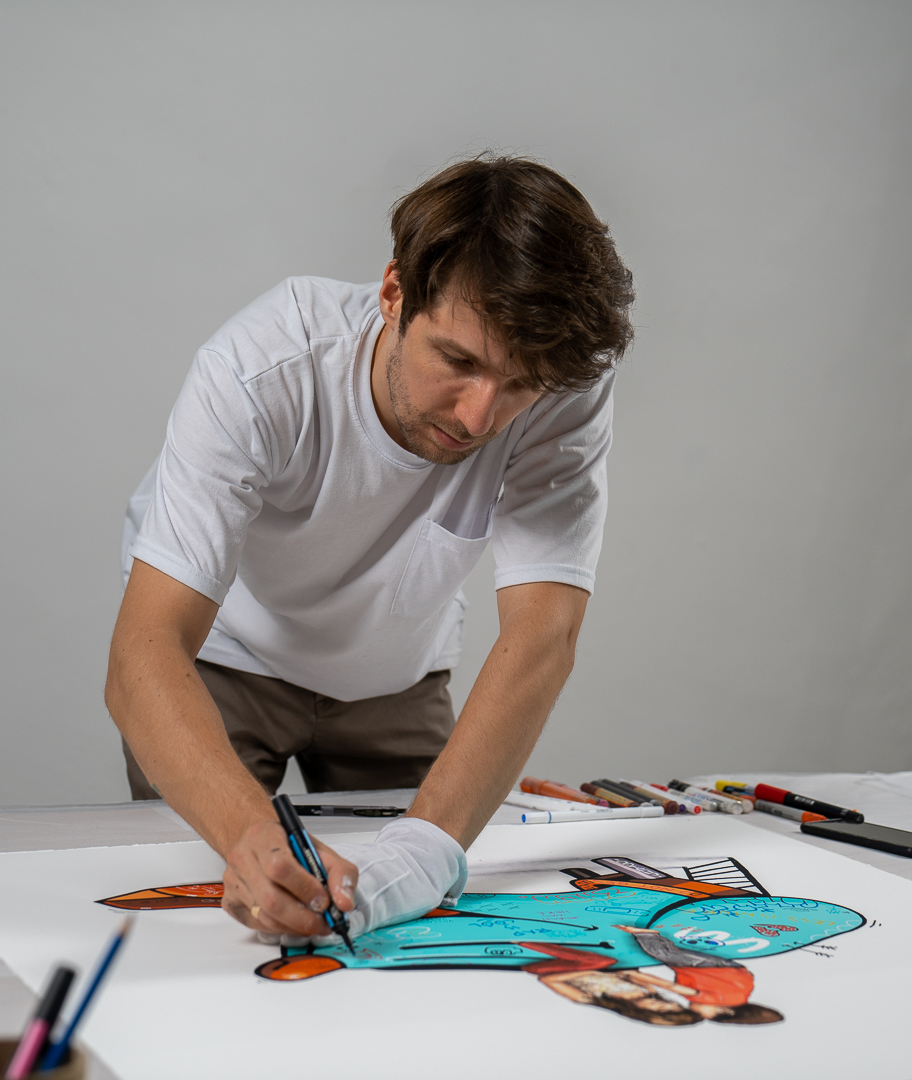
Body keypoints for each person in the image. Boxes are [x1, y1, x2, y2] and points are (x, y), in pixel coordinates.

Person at [105, 154, 634, 944]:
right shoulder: (259, 369)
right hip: (225, 664)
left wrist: (427, 847)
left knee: (415, 915)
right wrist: (250, 838)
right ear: (394, 293)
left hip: (395, 676)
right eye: (458, 361)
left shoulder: (561, 381)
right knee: (217, 924)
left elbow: (542, 633)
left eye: (519, 385)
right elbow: (142, 651)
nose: (480, 417)